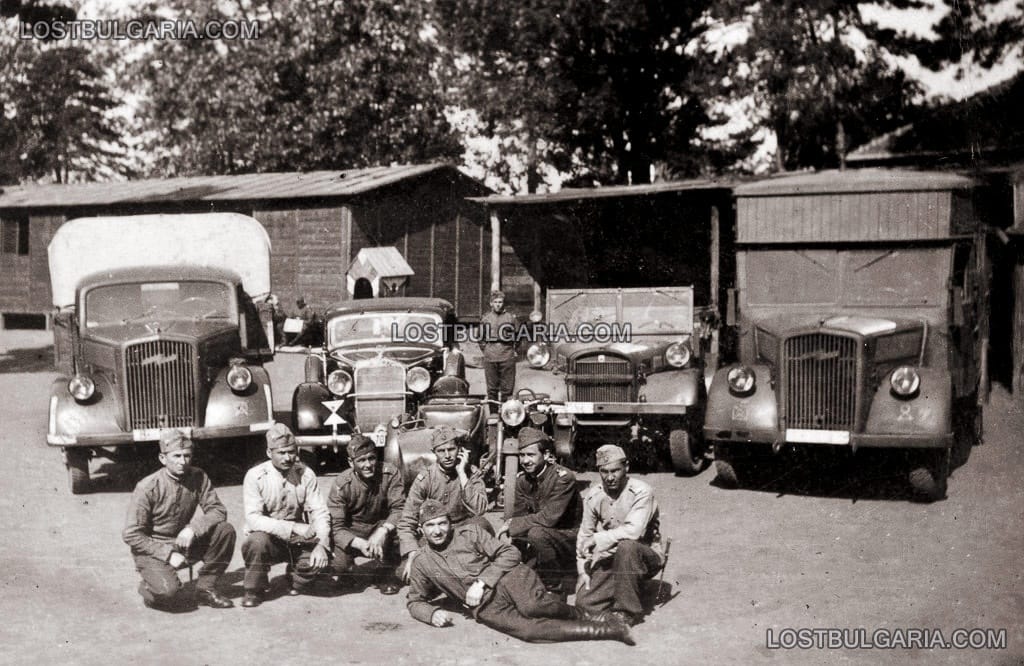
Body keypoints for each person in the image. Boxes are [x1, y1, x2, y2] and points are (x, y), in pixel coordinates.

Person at [407, 499, 634, 645]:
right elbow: (415, 600)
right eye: (431, 526)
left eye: (442, 523)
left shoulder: (469, 533)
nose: (438, 531)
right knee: (529, 632)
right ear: (421, 529)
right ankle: (607, 630)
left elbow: (510, 553)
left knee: (534, 607)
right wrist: (431, 613)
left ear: (450, 523)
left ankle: (597, 615)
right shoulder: (422, 562)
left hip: (507, 578)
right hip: (484, 607)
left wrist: (482, 582)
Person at [122, 429, 236, 610]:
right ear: (162, 458)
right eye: (176, 456)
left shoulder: (198, 477)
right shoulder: (148, 487)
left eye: (187, 456)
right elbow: (131, 534)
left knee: (225, 530)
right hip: (153, 550)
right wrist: (167, 553)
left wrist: (193, 529)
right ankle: (148, 587)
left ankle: (205, 588)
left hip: (184, 543)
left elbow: (217, 510)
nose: (183, 462)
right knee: (169, 594)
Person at [240, 423, 331, 608]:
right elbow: (253, 518)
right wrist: (293, 527)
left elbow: (320, 512)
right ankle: (254, 588)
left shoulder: (305, 474)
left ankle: (295, 577)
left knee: (323, 562)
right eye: (281, 453)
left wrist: (322, 544)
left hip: (299, 538)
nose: (288, 457)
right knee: (256, 542)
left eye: (292, 452)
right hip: (268, 537)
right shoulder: (255, 476)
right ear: (269, 453)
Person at [575, 445, 665, 627]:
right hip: (613, 556)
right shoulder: (594, 496)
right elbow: (584, 535)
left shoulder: (641, 491)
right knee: (584, 604)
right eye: (604, 472)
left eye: (615, 470)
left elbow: (634, 532)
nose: (609, 477)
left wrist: (598, 539)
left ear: (627, 468)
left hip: (645, 555)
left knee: (627, 546)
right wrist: (583, 570)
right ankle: (627, 588)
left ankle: (627, 611)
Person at [397, 425, 492, 582]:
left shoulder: (471, 474)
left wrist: (462, 474)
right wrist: (412, 552)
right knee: (405, 572)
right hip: (437, 534)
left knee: (481, 524)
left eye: (451, 449)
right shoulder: (425, 479)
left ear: (459, 450)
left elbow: (480, 509)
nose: (447, 455)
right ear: (434, 453)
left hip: (463, 533)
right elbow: (407, 520)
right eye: (441, 451)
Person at [496, 427, 581, 592]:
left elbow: (549, 518)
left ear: (547, 455)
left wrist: (512, 524)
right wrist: (517, 559)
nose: (525, 461)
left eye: (531, 455)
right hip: (543, 539)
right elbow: (520, 517)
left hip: (569, 537)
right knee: (517, 577)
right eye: (522, 455)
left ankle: (554, 582)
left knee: (536, 533)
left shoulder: (563, 478)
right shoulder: (523, 481)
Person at [327, 435, 405, 594]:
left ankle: (385, 572)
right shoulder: (342, 484)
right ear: (351, 463)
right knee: (339, 564)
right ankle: (347, 572)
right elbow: (337, 527)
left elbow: (399, 508)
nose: (368, 465)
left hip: (380, 526)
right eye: (361, 460)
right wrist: (359, 543)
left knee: (402, 532)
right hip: (353, 530)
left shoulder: (390, 473)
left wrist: (383, 531)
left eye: (371, 458)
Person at [480, 289, 517, 405]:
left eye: (500, 302)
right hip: (490, 356)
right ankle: (494, 415)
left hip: (507, 356)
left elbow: (519, 336)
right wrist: (486, 349)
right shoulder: (486, 318)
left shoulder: (510, 318)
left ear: (503, 303)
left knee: (507, 389)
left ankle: (507, 416)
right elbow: (480, 338)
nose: (498, 304)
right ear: (491, 303)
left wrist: (512, 349)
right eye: (495, 302)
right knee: (492, 390)